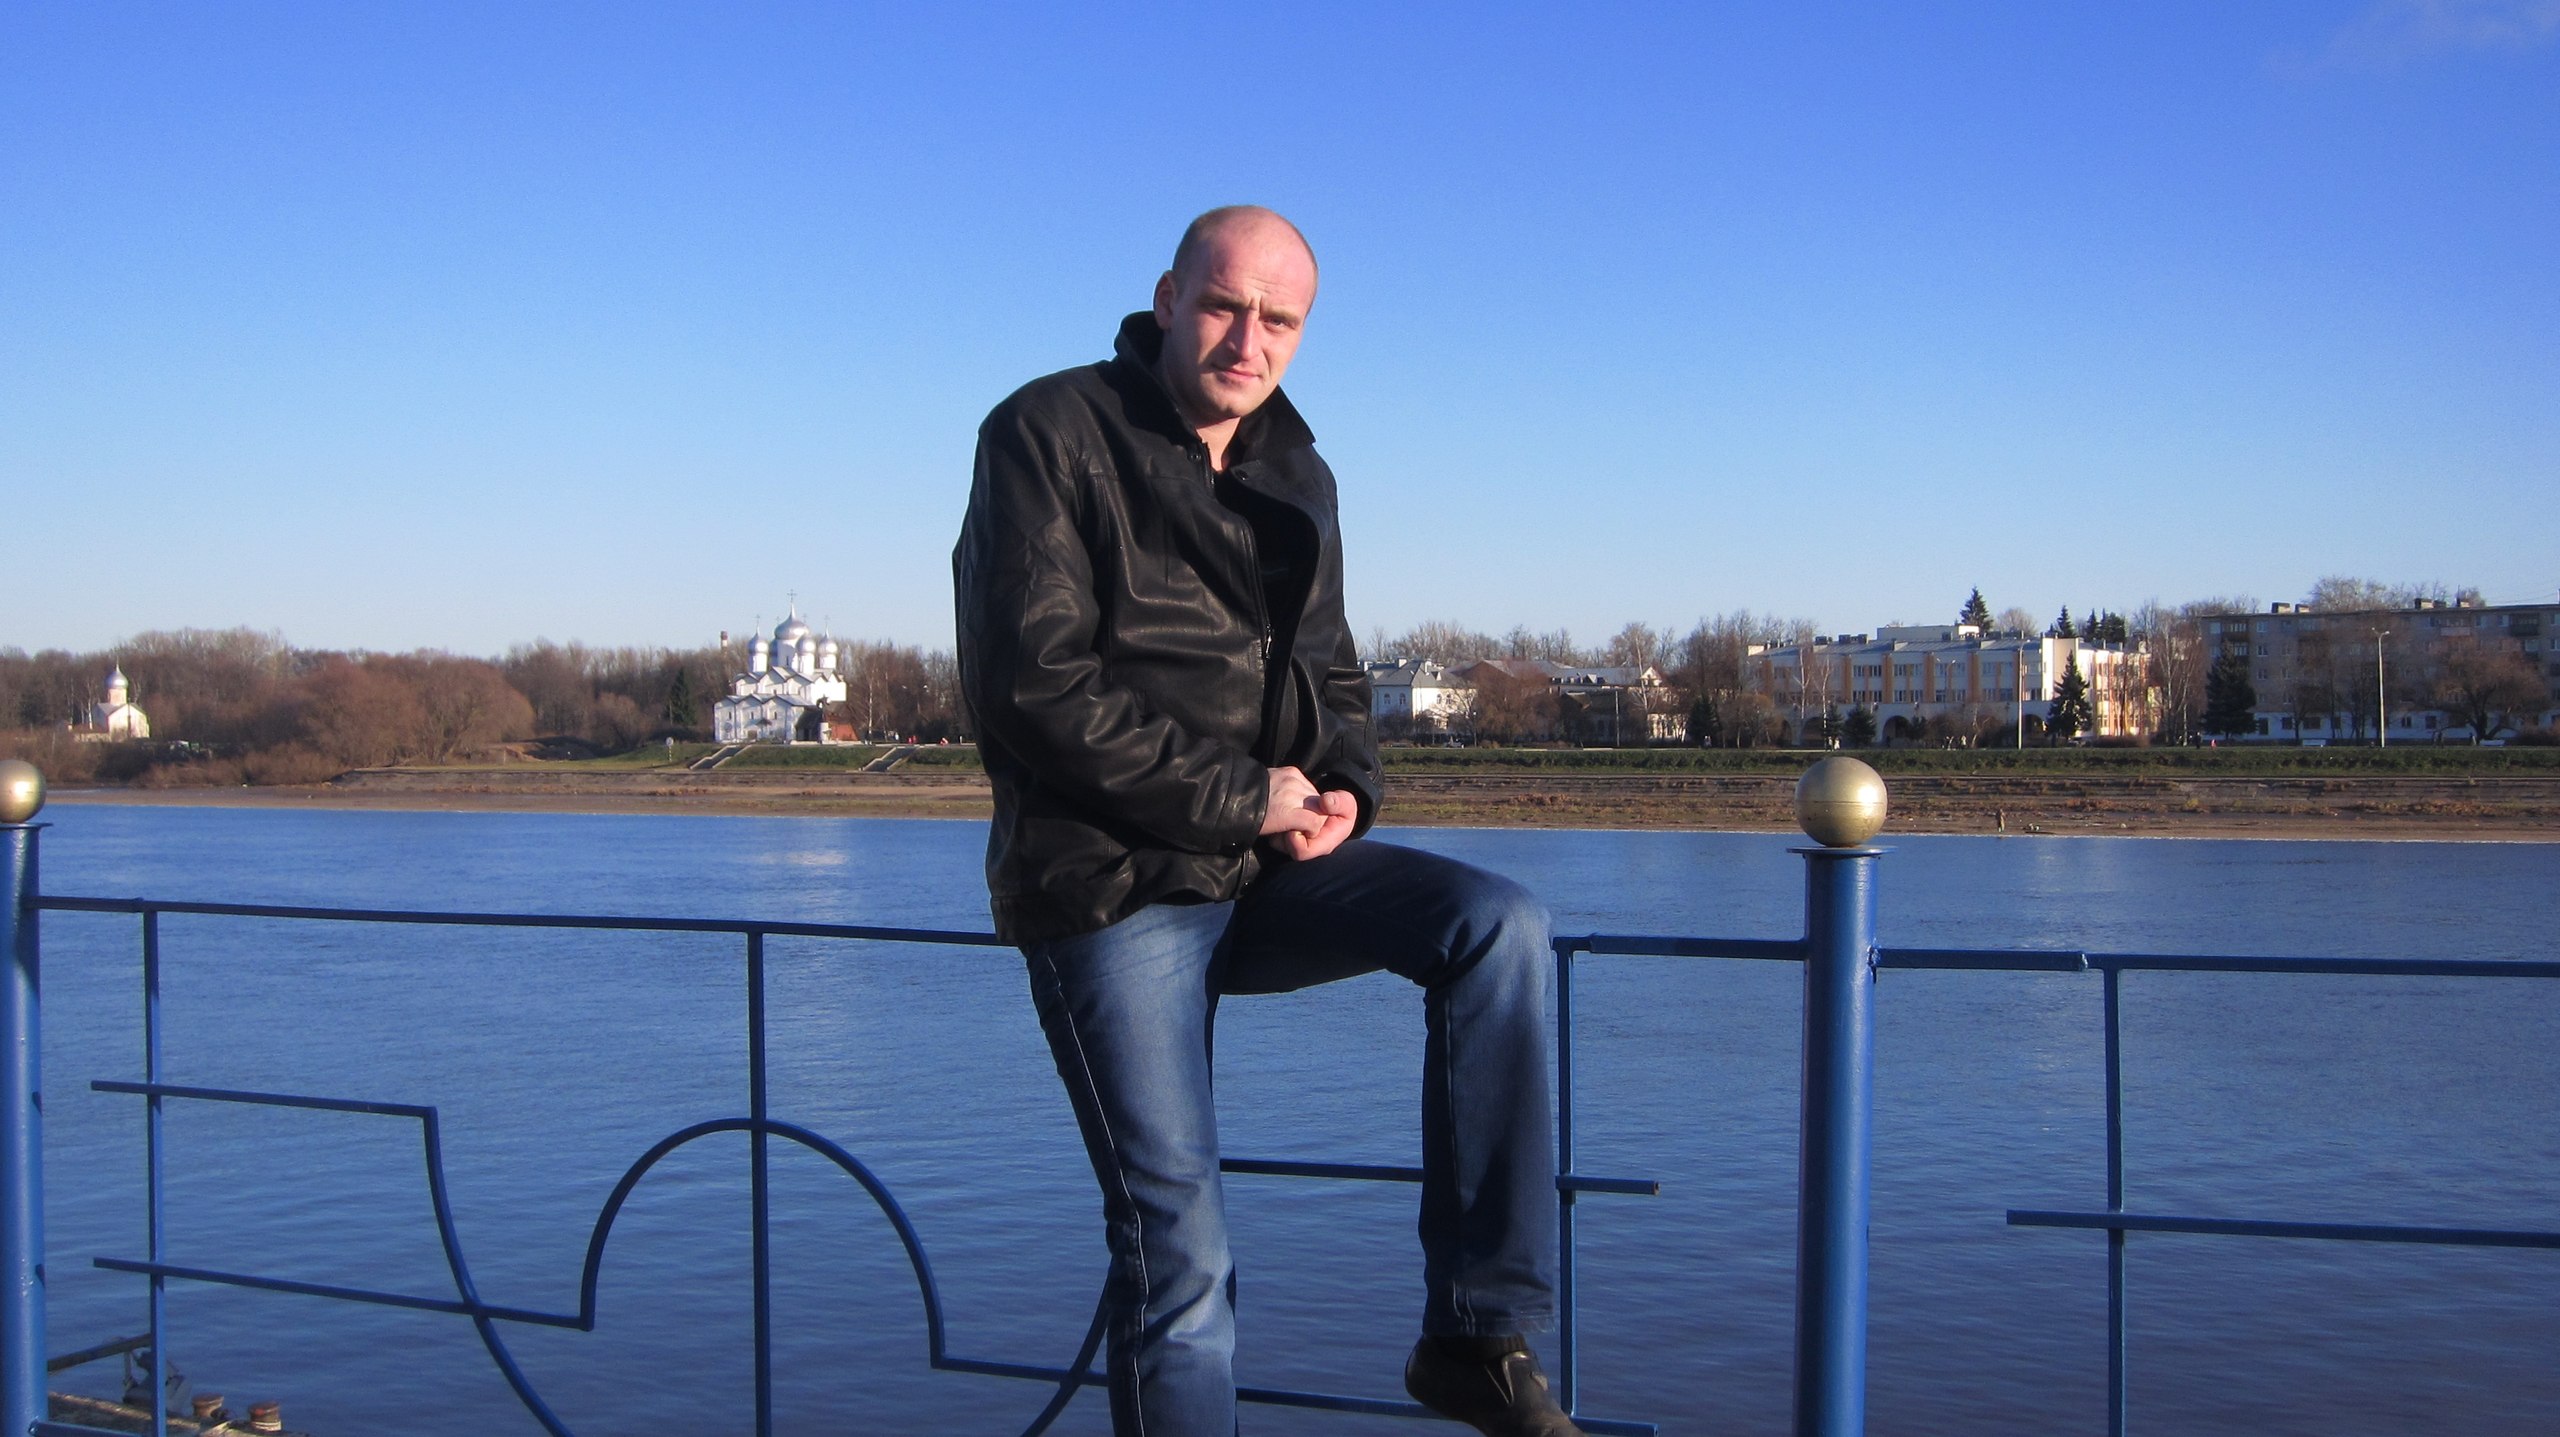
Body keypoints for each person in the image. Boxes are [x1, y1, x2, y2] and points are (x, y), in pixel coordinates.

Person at [954, 206, 1582, 1437]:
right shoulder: (1046, 431)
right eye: (1223, 307)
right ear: (1166, 299)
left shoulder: (1300, 472)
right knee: (1179, 1259)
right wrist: (1248, 794)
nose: (1249, 341)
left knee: (1499, 926)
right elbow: (1033, 690)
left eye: (1279, 321)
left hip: (1266, 870)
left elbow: (1331, 676)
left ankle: (1475, 1334)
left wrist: (1345, 789)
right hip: (1114, 884)